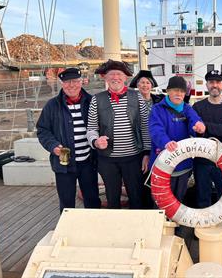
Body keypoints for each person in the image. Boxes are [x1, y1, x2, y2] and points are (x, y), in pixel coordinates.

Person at [86, 59, 151, 209]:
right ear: (105, 77)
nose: (115, 77)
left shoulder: (137, 97)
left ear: (125, 77)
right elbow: (91, 128)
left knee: (136, 196)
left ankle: (137, 228)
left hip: (134, 158)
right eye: (111, 74)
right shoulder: (97, 99)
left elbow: (145, 126)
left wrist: (147, 152)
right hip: (107, 160)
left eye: (119, 74)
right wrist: (95, 141)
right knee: (112, 198)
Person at [37, 68, 101, 213]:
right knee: (66, 203)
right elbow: (42, 130)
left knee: (92, 199)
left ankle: (95, 229)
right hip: (64, 164)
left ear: (81, 82)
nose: (71, 85)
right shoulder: (52, 105)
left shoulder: (92, 102)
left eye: (75, 81)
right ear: (62, 83)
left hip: (88, 162)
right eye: (67, 82)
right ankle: (67, 231)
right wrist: (53, 146)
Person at [149, 76, 206, 203]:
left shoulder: (187, 108)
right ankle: (160, 222)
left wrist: (200, 128)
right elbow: (155, 129)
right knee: (160, 201)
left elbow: (195, 120)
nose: (178, 94)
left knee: (178, 200)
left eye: (181, 91)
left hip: (183, 165)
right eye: (175, 90)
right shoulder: (157, 109)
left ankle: (176, 223)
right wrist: (165, 142)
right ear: (168, 91)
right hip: (161, 162)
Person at [192, 70, 222, 207]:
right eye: (211, 82)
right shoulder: (198, 107)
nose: (215, 85)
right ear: (206, 85)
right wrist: (220, 127)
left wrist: (206, 127)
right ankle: (204, 225)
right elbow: (196, 133)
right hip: (202, 160)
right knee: (202, 195)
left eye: (218, 82)